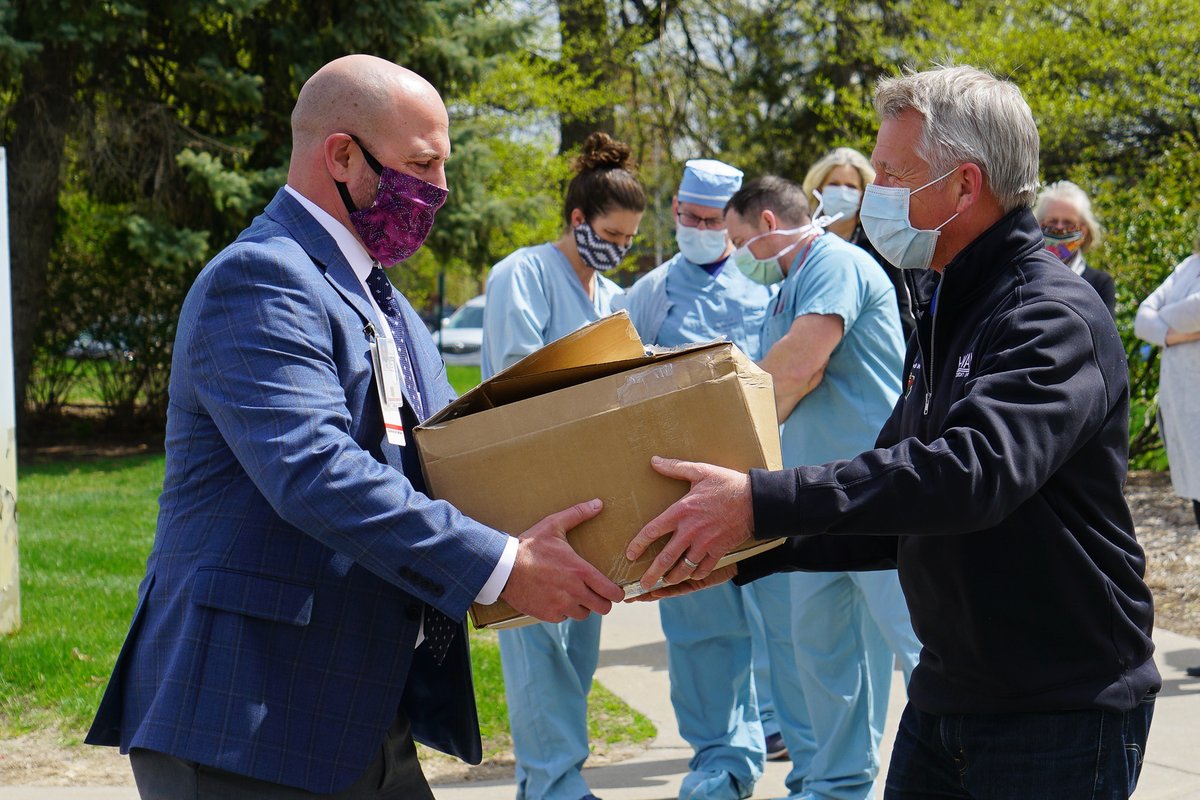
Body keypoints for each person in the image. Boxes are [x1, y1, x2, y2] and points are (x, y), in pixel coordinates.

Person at [84, 55, 625, 800]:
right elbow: (316, 473)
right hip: (243, 718)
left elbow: (449, 464)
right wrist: (505, 567)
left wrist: (614, 539)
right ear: (340, 154)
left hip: (359, 710)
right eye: (422, 164)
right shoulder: (262, 277)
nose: (438, 191)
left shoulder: (385, 301)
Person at [628, 65, 1160, 799]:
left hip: (1057, 708)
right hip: (950, 696)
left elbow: (968, 475)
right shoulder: (945, 303)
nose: (872, 193)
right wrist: (746, 552)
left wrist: (760, 501)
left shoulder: (1050, 316)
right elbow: (897, 505)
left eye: (888, 173)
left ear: (964, 187)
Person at [722, 175, 920, 800]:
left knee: (919, 645)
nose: (738, 256)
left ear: (768, 222)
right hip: (815, 503)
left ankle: (971, 774)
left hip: (873, 494)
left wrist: (720, 444)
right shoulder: (788, 288)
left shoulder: (835, 264)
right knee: (824, 656)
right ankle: (837, 787)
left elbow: (798, 368)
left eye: (738, 240)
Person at [482, 131, 646, 800]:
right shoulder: (520, 274)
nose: (619, 249)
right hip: (529, 489)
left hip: (591, 492)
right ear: (578, 220)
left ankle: (548, 783)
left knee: (577, 646)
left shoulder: (608, 297)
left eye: (631, 241)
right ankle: (554, 786)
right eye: (611, 233)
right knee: (536, 647)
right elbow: (523, 375)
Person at [619, 158, 774, 800]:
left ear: (733, 224)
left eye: (712, 221)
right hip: (686, 492)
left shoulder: (767, 285)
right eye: (689, 217)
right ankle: (721, 760)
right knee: (701, 628)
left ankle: (802, 747)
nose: (698, 229)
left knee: (784, 628)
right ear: (675, 212)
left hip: (765, 486)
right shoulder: (653, 292)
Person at [1135, 229, 1200, 677]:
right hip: (1187, 423)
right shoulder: (1189, 266)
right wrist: (1178, 334)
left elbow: (1174, 313)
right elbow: (1143, 318)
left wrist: (1166, 323)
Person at [803, 147, 917, 338]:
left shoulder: (881, 244)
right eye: (834, 184)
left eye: (850, 186)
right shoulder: (805, 244)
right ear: (819, 191)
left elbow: (902, 310)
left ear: (863, 194)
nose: (842, 191)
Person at [1034, 180, 1117, 317]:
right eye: (1052, 221)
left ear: (1084, 230)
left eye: (1068, 223)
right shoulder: (1025, 275)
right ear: (1039, 224)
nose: (1059, 228)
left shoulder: (1100, 284)